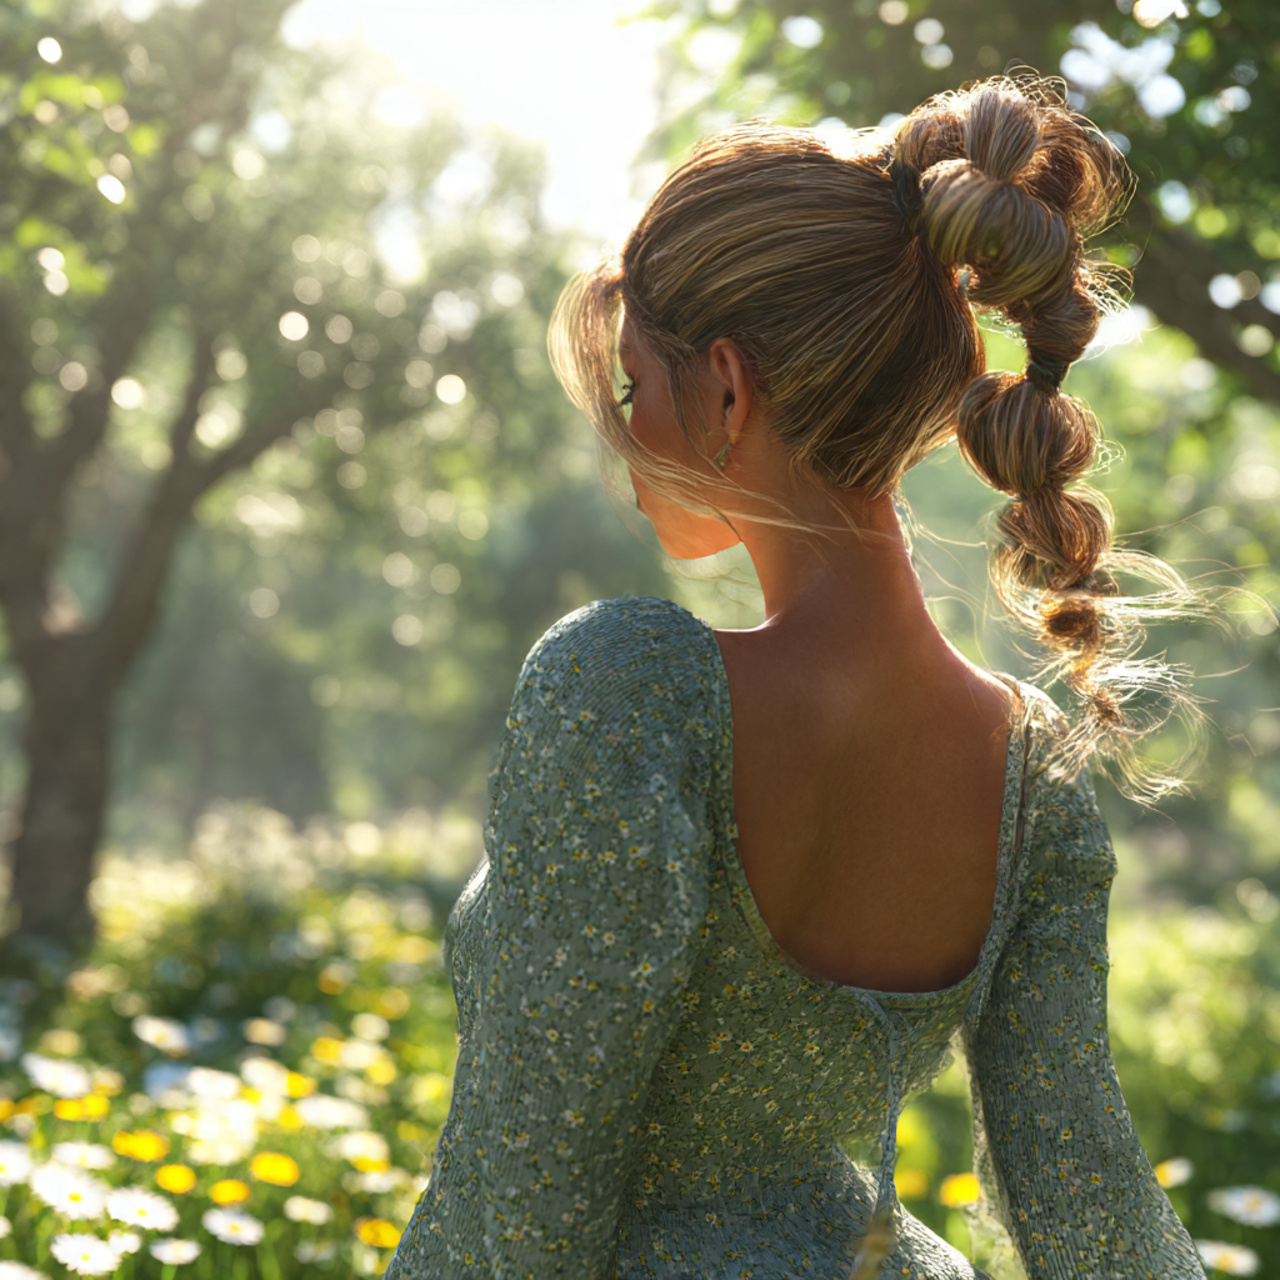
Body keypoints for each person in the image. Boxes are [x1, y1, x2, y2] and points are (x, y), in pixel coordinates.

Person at [387, 76, 1207, 1279]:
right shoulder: (1030, 775)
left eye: (633, 385)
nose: (618, 433)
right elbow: (1087, 1204)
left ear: (724, 386)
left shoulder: (624, 689)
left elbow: (520, 1196)